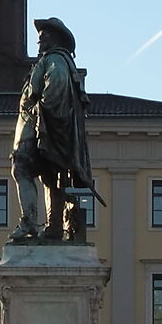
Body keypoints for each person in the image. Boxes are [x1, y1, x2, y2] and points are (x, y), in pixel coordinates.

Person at [9, 17, 100, 241]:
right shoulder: (53, 60)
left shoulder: (54, 60)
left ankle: (30, 222)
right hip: (45, 127)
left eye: (44, 38)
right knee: (51, 177)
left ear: (56, 39)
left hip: (39, 127)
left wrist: (39, 115)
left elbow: (55, 90)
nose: (39, 43)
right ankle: (54, 227)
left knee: (22, 167)